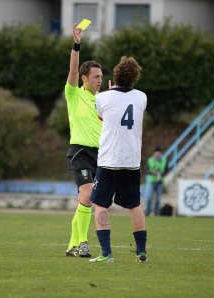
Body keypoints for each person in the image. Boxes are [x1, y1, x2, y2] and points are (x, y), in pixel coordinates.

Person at [89, 56, 147, 263]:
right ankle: (141, 252)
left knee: (101, 205)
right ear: (135, 77)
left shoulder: (102, 97)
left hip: (109, 160)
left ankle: (106, 253)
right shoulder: (142, 97)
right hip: (132, 160)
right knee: (134, 205)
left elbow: (103, 118)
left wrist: (110, 92)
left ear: (115, 74)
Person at [64, 23, 103, 257]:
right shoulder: (74, 94)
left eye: (101, 76)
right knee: (87, 195)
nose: (100, 80)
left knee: (85, 199)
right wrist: (76, 44)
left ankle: (72, 245)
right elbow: (72, 71)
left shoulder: (103, 99)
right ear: (84, 78)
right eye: (96, 77)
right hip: (80, 152)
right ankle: (84, 242)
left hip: (101, 154)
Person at [145, 146, 168, 216]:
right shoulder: (150, 160)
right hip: (151, 181)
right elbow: (146, 171)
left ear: (161, 153)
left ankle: (156, 213)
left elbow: (167, 170)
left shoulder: (164, 160)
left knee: (158, 199)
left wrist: (161, 174)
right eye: (156, 153)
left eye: (159, 153)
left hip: (160, 181)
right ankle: (147, 212)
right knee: (149, 197)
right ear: (154, 153)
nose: (157, 154)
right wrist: (152, 172)